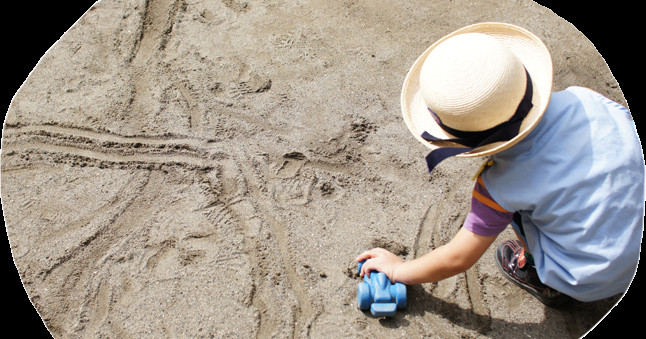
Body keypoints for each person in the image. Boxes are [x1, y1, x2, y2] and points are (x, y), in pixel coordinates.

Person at [357, 22, 644, 306]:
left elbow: (459, 257)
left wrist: (398, 270)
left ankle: (544, 278)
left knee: (518, 212)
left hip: (587, 279)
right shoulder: (589, 99)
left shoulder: (499, 185)